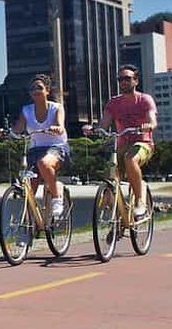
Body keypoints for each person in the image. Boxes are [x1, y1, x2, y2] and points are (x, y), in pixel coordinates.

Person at [83, 64, 157, 217]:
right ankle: (118, 217)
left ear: (136, 81)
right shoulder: (114, 103)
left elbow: (153, 120)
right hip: (121, 145)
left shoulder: (144, 99)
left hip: (143, 143)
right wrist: (94, 129)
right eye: (120, 79)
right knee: (111, 173)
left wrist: (148, 125)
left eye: (127, 79)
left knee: (130, 159)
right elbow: (104, 122)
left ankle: (140, 201)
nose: (123, 82)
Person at [11, 74, 70, 244]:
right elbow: (19, 128)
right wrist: (10, 132)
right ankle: (28, 228)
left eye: (39, 88)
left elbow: (60, 124)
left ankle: (57, 199)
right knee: (28, 189)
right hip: (35, 150)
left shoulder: (56, 108)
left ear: (47, 91)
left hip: (57, 148)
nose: (36, 91)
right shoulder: (26, 110)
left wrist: (57, 128)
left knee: (44, 163)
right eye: (32, 89)